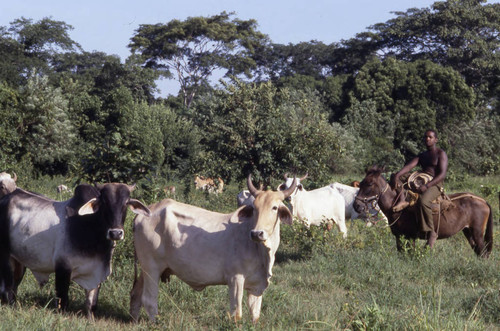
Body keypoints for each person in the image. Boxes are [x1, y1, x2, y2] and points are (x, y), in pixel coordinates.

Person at [390, 129, 448, 247]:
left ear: (435, 140)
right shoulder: (422, 155)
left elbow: (442, 174)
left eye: (430, 137)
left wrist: (427, 186)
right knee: (396, 177)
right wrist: (397, 175)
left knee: (423, 201)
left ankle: (431, 232)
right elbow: (409, 166)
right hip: (421, 178)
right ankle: (402, 199)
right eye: (425, 137)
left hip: (435, 183)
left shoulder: (440, 153)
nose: (427, 139)